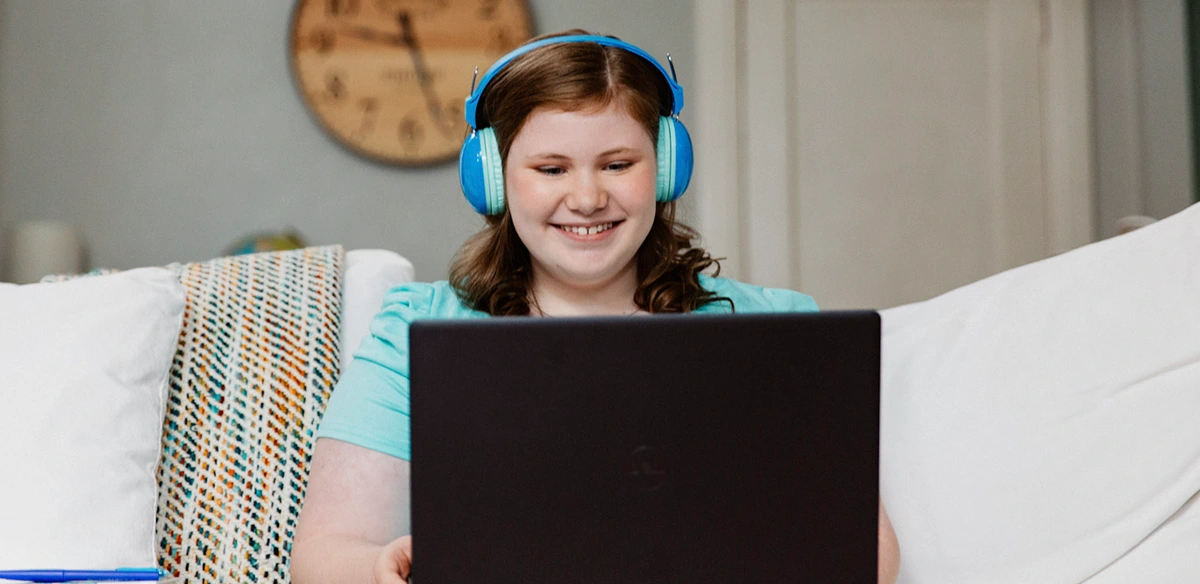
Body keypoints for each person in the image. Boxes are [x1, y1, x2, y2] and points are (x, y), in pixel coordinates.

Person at [290, 30, 901, 584]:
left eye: (617, 164)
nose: (587, 197)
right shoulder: (414, 333)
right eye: (551, 168)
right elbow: (320, 558)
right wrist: (376, 568)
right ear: (495, 179)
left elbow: (867, 550)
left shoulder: (780, 329)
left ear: (664, 168)